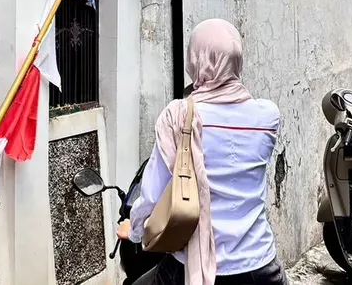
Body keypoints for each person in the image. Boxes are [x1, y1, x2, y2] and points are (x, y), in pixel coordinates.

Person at [117, 18, 286, 285]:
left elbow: (152, 195)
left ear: (195, 60)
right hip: (261, 266)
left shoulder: (179, 115)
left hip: (193, 269)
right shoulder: (268, 116)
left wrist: (135, 231)